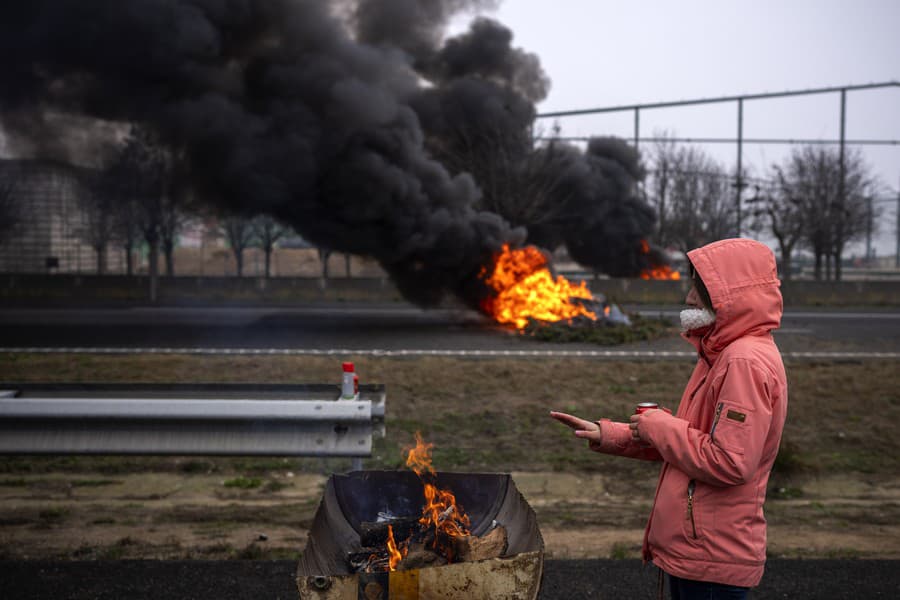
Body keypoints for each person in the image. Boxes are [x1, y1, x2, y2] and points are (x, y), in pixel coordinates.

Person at [550, 238, 788, 600]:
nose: (690, 298)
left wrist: (658, 424)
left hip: (710, 557)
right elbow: (689, 443)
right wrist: (608, 434)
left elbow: (729, 461)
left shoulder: (742, 362)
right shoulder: (720, 353)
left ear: (729, 296)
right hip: (698, 552)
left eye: (700, 289)